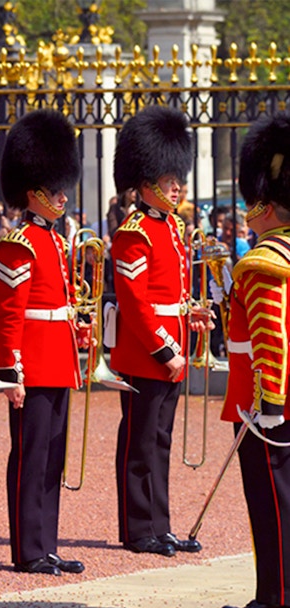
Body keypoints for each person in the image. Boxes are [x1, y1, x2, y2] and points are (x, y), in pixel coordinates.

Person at [109, 105, 212, 558]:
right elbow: (133, 302)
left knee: (161, 441)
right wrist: (164, 347)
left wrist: (188, 317)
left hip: (172, 346)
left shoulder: (172, 228)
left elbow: (170, 293)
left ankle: (160, 523)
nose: (178, 188)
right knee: (139, 442)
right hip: (145, 353)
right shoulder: (134, 233)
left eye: (178, 181)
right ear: (147, 184)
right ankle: (137, 528)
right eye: (171, 182)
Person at [0, 109, 87, 577]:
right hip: (32, 365)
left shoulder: (54, 240)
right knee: (31, 457)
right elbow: (8, 313)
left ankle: (46, 544)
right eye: (54, 190)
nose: (62, 197)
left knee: (52, 457)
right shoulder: (20, 243)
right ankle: (28, 549)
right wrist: (10, 372)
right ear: (34, 193)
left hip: (58, 359)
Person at [219, 112, 290, 608]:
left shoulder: (263, 261)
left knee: (272, 503)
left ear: (263, 204)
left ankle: (277, 598)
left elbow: (271, 336)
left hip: (266, 403)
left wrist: (267, 403)